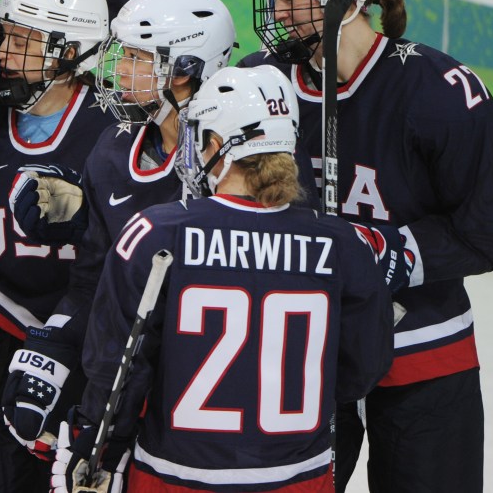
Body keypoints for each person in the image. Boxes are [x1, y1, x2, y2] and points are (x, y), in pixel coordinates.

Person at [241, 0, 493, 493]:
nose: (279, 14)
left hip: (422, 354)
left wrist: (384, 249)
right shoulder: (261, 84)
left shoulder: (441, 94)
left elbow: (479, 235)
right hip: (300, 355)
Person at [51, 65, 396, 492]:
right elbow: (362, 371)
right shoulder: (345, 244)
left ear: (219, 145)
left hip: (176, 476)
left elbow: (118, 368)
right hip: (298, 478)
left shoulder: (156, 233)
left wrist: (96, 447)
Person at [1, 0, 240, 468]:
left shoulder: (236, 160)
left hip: (215, 390)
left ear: (186, 70)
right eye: (122, 55)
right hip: (129, 378)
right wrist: (57, 340)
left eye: (136, 58)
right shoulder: (113, 149)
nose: (119, 72)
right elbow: (93, 281)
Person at [0, 0, 118, 492]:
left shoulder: (112, 128)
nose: (4, 54)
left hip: (83, 354)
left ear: (70, 53)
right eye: (6, 37)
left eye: (23, 42)